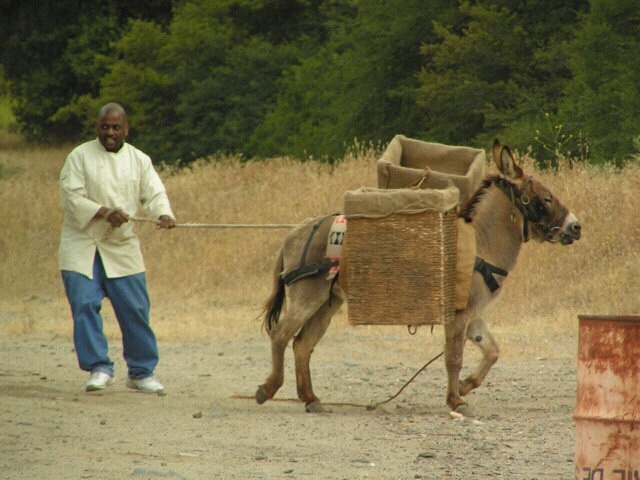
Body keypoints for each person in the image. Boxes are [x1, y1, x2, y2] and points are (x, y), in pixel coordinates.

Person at [59, 103, 176, 394]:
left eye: (116, 127)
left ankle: (140, 372)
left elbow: (154, 193)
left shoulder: (139, 159)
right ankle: (99, 368)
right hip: (81, 244)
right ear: (97, 127)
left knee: (136, 308)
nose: (110, 133)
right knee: (84, 304)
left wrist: (163, 214)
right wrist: (102, 211)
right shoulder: (79, 156)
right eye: (104, 127)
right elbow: (70, 198)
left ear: (126, 129)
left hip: (121, 246)